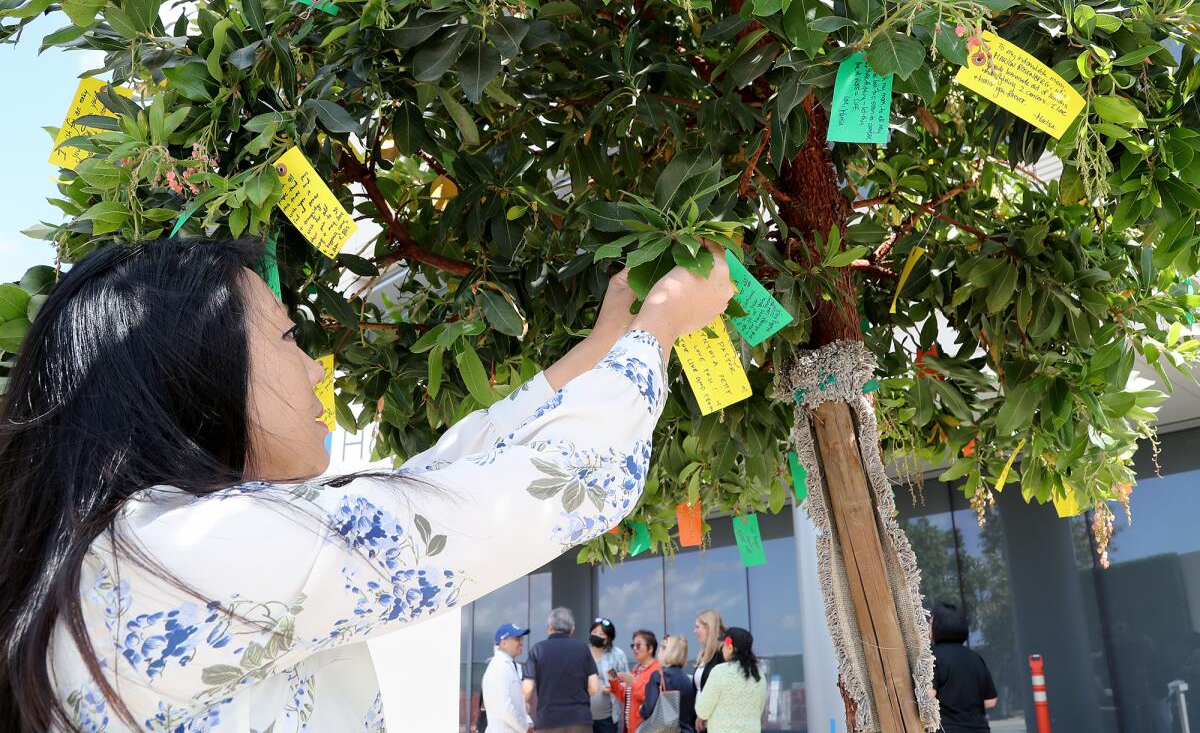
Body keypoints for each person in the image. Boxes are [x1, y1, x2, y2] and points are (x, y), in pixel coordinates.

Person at [0, 237, 734, 732]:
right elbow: (509, 501)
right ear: (199, 377)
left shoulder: (135, 545)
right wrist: (659, 329)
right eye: (289, 337)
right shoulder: (198, 549)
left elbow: (431, 488)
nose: (315, 367)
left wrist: (605, 348)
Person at [523, 608, 602, 733]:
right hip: (580, 721)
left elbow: (527, 689)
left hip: (548, 722)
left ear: (550, 626)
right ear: (572, 629)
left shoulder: (537, 649)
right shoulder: (583, 649)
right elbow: (594, 687)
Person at [930, 602, 998, 733]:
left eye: (931, 623)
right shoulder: (975, 658)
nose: (928, 627)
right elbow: (991, 701)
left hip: (947, 728)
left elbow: (929, 695)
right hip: (979, 728)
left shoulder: (932, 657)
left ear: (939, 627)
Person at [694, 627, 767, 733]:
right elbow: (759, 711)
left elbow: (702, 711)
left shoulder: (720, 672)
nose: (722, 649)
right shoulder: (759, 676)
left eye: (723, 645)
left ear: (730, 647)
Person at [482, 623, 535, 733]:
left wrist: (528, 723)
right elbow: (504, 707)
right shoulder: (498, 667)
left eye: (522, 639)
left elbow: (518, 704)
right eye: (517, 639)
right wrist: (525, 728)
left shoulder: (510, 666)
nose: (521, 643)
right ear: (504, 643)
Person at [642, 634, 697, 733]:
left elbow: (648, 710)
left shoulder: (658, 676)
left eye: (660, 649)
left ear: (665, 651)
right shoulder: (687, 679)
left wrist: (641, 709)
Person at [610, 629, 662, 733]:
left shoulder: (657, 670)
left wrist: (632, 681)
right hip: (631, 728)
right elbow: (626, 697)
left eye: (638, 646)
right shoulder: (636, 669)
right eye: (632, 646)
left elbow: (650, 698)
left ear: (650, 648)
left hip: (646, 728)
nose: (634, 649)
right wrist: (613, 681)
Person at [588, 617, 628, 733]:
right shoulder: (583, 652)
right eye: (594, 632)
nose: (596, 635)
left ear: (608, 638)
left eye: (601, 633)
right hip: (583, 716)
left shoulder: (617, 655)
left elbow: (625, 682)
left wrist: (613, 688)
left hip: (608, 719)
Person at [693, 609, 728, 694]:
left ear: (708, 628)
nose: (694, 631)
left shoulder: (722, 654)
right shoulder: (704, 655)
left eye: (697, 627)